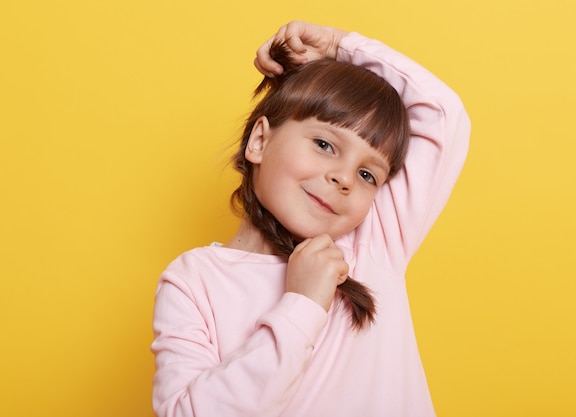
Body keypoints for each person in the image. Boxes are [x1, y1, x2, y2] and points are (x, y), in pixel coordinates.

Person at [151, 20, 470, 417]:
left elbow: (443, 114)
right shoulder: (193, 280)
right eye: (324, 144)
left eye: (367, 174)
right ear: (260, 140)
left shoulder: (373, 242)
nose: (344, 178)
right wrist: (302, 304)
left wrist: (340, 45)